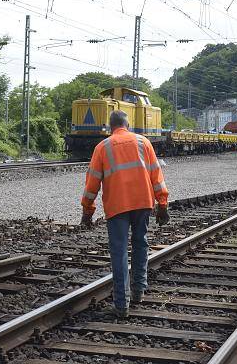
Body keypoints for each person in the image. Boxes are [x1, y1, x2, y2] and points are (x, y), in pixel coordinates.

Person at [81, 110, 169, 318]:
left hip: (117, 205)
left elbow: (92, 183)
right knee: (141, 244)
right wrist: (162, 203)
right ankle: (138, 292)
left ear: (110, 127)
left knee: (119, 252)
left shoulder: (102, 147)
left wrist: (88, 210)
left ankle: (122, 305)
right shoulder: (143, 142)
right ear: (127, 125)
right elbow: (156, 175)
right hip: (143, 202)